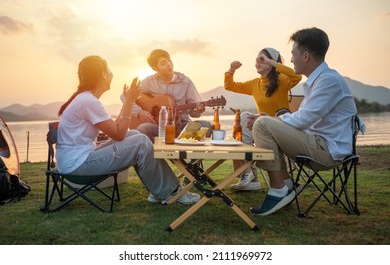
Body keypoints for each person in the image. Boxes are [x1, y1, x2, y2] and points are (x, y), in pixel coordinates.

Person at [56, 55, 200, 205]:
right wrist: (130, 101)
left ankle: (158, 191)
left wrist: (127, 103)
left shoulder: (85, 99)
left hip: (76, 162)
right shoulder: (88, 101)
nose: (112, 74)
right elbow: (118, 134)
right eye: (109, 70)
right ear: (104, 74)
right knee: (141, 142)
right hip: (78, 167)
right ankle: (171, 192)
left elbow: (116, 128)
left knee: (136, 134)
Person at [250, 27, 357, 216]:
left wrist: (270, 120)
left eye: (293, 54)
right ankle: (287, 183)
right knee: (265, 123)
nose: (291, 60)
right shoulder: (319, 80)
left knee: (263, 124)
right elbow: (303, 119)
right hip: (318, 143)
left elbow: (304, 120)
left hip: (326, 151)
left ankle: (279, 190)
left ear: (306, 56)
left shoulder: (328, 81)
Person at [224, 48, 302, 191]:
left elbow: (297, 77)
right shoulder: (255, 83)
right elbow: (229, 86)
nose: (257, 63)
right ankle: (249, 175)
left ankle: (251, 176)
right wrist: (231, 70)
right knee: (243, 117)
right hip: (261, 128)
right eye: (256, 60)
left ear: (271, 61)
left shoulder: (282, 80)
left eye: (262, 59)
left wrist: (274, 63)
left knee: (247, 120)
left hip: (282, 127)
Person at [129, 49, 211, 142]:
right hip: (158, 127)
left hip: (181, 126)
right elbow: (125, 96)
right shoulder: (150, 82)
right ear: (155, 68)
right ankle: (157, 155)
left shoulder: (185, 81)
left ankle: (186, 155)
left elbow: (194, 113)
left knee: (206, 125)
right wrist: (139, 112)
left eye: (169, 60)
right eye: (163, 63)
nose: (169, 64)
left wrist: (197, 110)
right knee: (142, 128)